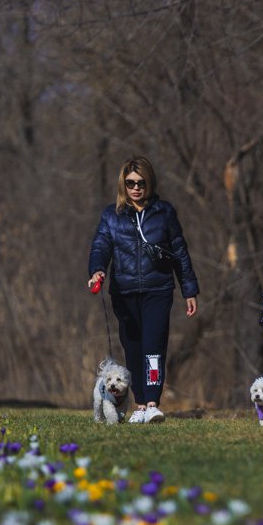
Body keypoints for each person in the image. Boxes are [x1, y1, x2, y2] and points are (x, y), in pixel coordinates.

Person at [88, 156, 200, 424]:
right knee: (133, 348)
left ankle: (151, 402)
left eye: (141, 183)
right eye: (130, 183)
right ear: (123, 185)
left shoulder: (164, 212)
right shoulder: (111, 215)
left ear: (149, 183)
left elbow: (179, 251)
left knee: (153, 347)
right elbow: (100, 245)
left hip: (157, 290)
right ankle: (138, 406)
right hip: (124, 293)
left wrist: (189, 289)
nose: (136, 188)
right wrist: (97, 269)